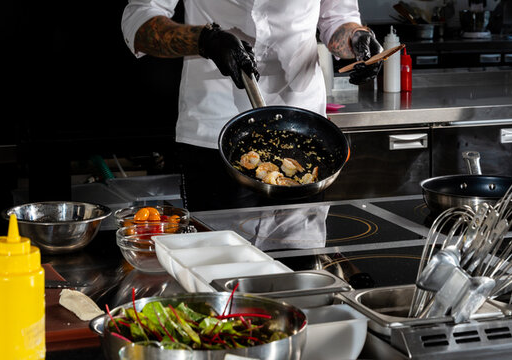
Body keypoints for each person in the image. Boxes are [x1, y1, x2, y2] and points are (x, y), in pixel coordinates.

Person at [121, 0, 382, 211]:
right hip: (216, 129)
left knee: (299, 264)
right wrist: (205, 41)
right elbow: (139, 19)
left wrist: (358, 41)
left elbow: (337, 19)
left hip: (302, 130)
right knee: (216, 262)